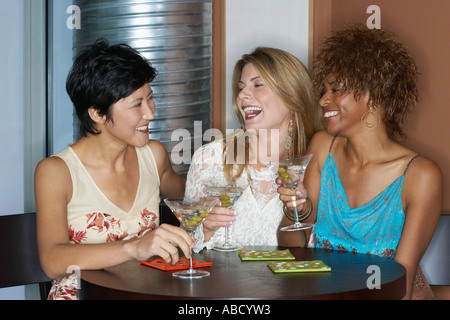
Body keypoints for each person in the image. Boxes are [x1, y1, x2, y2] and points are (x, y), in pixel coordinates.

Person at [277, 25, 443, 300]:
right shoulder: (322, 146)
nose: (323, 100)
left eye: (336, 89)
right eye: (323, 90)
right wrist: (301, 210)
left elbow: (399, 283)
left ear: (373, 95)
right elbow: (290, 246)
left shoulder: (420, 175)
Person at [34, 39, 193, 300]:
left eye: (150, 98)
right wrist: (133, 248)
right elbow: (52, 260)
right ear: (97, 113)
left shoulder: (153, 155)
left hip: (144, 292)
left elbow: (192, 198)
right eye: (136, 104)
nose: (150, 114)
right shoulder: (56, 172)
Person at [185, 47, 324, 252]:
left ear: (292, 96)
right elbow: (183, 247)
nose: (242, 95)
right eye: (241, 88)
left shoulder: (316, 163)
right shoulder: (210, 159)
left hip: (295, 284)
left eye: (258, 85)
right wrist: (206, 229)